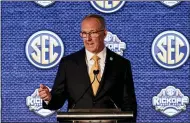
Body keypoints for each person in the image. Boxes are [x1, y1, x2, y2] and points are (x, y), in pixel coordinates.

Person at [39, 14, 137, 122]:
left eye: (93, 33)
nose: (88, 39)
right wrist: (49, 98)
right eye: (84, 34)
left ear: (104, 34)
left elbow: (129, 104)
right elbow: (58, 100)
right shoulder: (68, 63)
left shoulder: (121, 64)